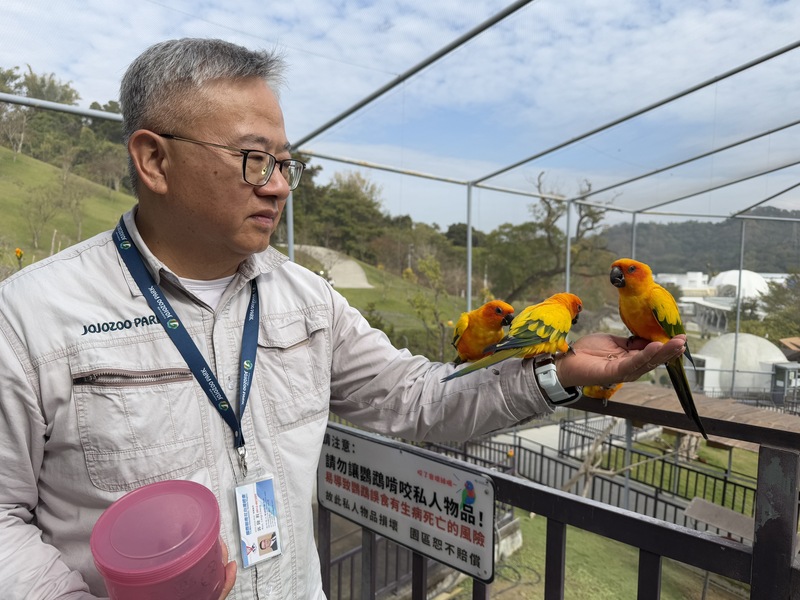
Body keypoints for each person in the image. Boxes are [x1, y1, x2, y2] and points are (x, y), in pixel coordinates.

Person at [0, 38, 687, 600]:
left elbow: (414, 401)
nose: (276, 184)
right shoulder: (33, 317)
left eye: (284, 164)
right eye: (253, 160)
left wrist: (553, 375)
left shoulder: (307, 300)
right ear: (154, 159)